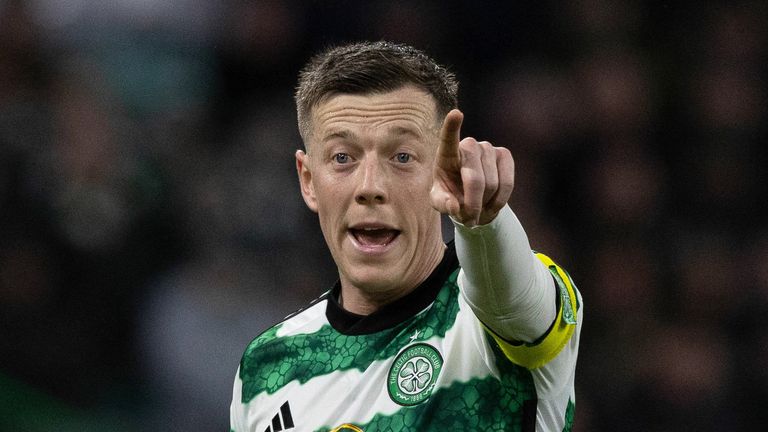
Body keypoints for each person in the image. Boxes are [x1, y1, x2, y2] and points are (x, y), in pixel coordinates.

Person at [230, 41, 582, 432]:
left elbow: (511, 296)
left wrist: (483, 223)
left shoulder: (496, 320)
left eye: (402, 156)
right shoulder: (266, 367)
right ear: (309, 180)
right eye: (342, 157)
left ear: (442, 168)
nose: (370, 186)